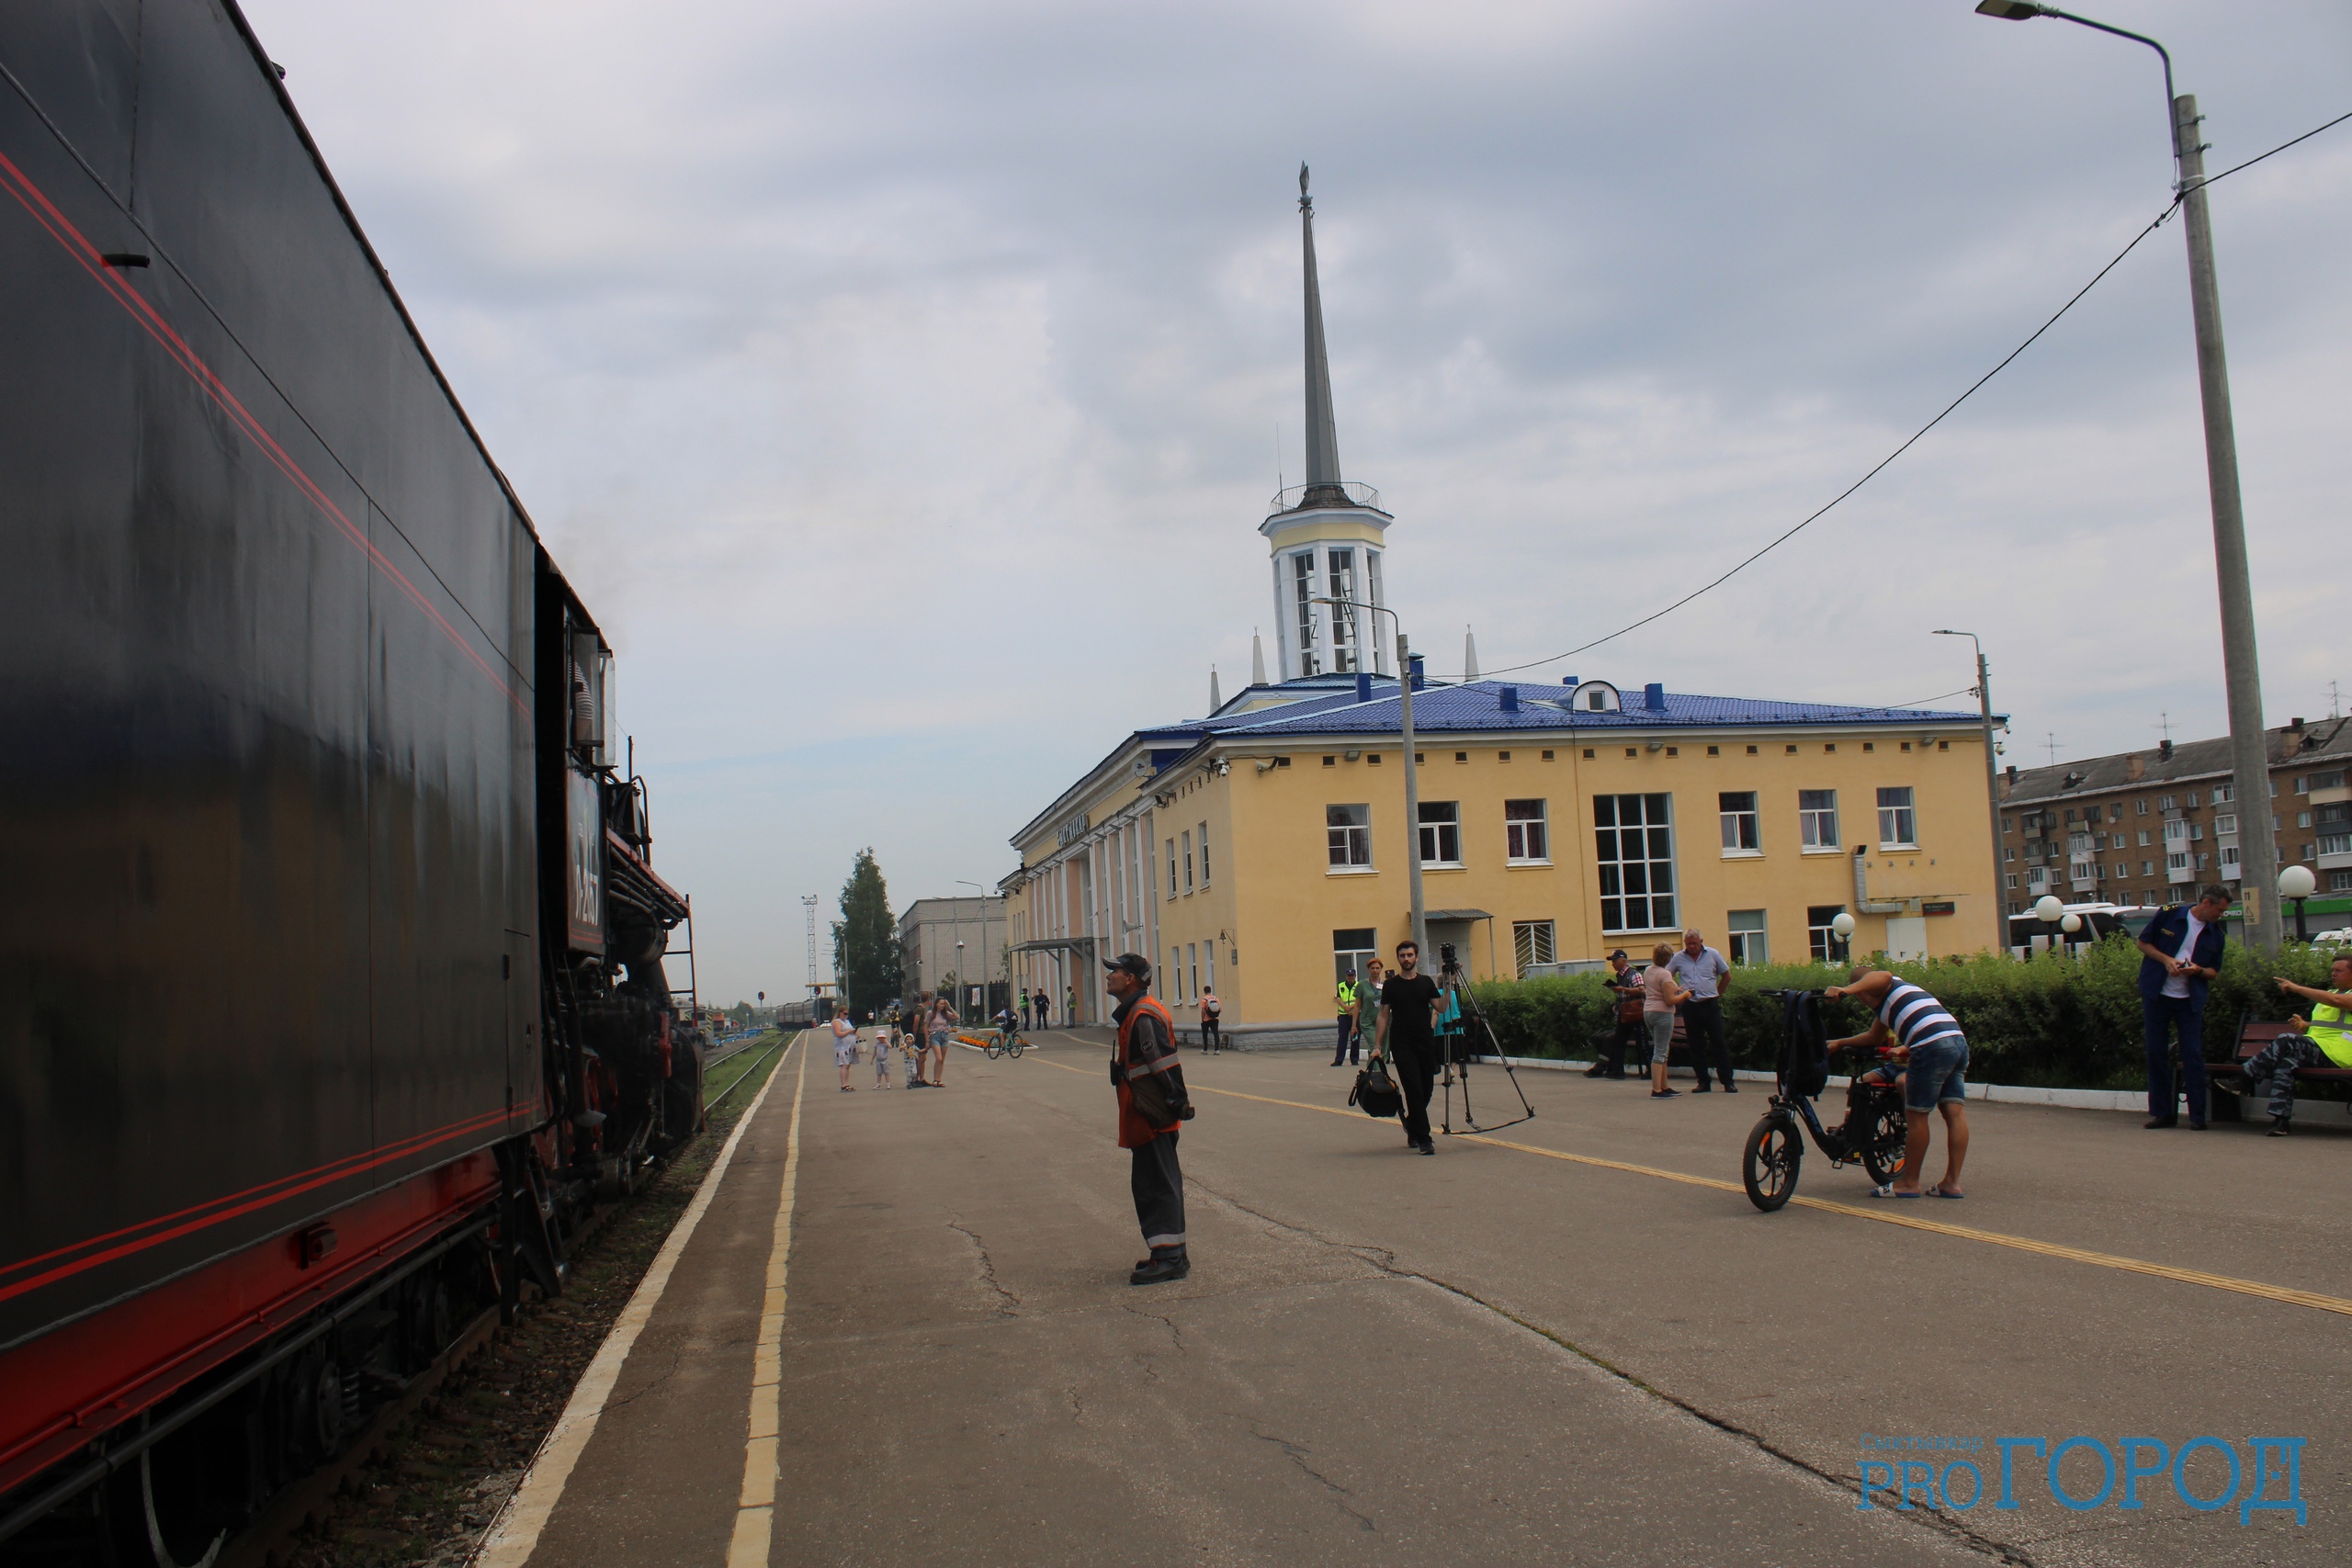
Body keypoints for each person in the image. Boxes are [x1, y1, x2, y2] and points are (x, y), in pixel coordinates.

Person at [1825, 969, 1970, 1199]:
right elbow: (1873, 1037)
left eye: (1859, 994)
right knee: (1954, 1113)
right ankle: (1951, 1183)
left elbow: (1882, 975)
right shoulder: (1888, 1006)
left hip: (1930, 1045)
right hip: (1956, 1041)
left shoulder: (1887, 985)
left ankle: (1909, 1183)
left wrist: (1846, 989)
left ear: (1863, 991)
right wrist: (1840, 1043)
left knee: (1917, 1116)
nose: (1860, 1000)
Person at [1102, 953, 1193, 1285]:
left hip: (1151, 1114)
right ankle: (1169, 1252)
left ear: (1132, 979)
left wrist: (1177, 1101)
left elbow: (1164, 1064)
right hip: (1146, 1114)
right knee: (1154, 1182)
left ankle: (1169, 1257)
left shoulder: (1142, 1015)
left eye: (1116, 971)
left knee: (1155, 1185)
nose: (1109, 976)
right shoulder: (1135, 1013)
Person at [2136, 885, 2233, 1129]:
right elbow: (2143, 944)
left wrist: (2197, 970)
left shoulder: (2216, 935)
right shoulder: (2170, 914)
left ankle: (2198, 1116)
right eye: (2219, 910)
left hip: (2189, 999)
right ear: (2207, 903)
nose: (2220, 916)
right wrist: (2168, 960)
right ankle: (2163, 1113)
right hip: (2157, 994)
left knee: (2193, 1055)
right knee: (2156, 1052)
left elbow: (2214, 972)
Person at [2247, 955, 2352, 1134]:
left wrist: (2297, 988)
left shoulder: (2335, 998)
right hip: (2321, 1050)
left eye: (2339, 971)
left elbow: (2336, 1003)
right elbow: (2327, 1027)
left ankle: (2245, 1077)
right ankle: (2281, 1122)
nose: (2333, 974)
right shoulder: (2331, 994)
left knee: (2287, 1039)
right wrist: (2305, 1026)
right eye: (2333, 970)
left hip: (2341, 1054)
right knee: (2286, 1063)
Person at [1373, 940, 1444, 1154]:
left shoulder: (1426, 983)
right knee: (1414, 1089)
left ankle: (1412, 1126)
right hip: (1402, 1044)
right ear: (1398, 958)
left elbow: (1440, 1007)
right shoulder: (1392, 985)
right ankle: (1424, 1139)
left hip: (1425, 1042)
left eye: (1410, 955)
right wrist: (1377, 1046)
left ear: (1416, 958)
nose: (1406, 959)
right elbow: (1383, 1014)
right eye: (1402, 956)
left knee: (1427, 1089)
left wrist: (1449, 983)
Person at [1667, 928, 1736, 1093]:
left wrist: (1718, 993)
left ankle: (1728, 1082)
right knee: (1696, 1045)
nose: (1692, 947)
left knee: (1719, 1043)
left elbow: (1726, 975)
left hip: (1710, 1005)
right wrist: (1677, 991)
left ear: (1701, 942)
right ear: (1685, 943)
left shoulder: (1713, 954)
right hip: (1691, 1005)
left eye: (1695, 943)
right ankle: (1703, 1082)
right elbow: (1667, 976)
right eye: (1689, 944)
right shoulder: (1678, 958)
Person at [1642, 944, 1690, 1099]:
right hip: (1663, 1013)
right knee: (1661, 1051)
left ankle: (1665, 1086)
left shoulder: (1648, 970)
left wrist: (1675, 990)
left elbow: (1657, 990)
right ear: (1669, 958)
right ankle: (1656, 1089)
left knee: (1662, 1049)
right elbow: (1670, 1000)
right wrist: (1685, 995)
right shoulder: (1665, 974)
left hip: (1648, 1011)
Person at [1588, 950, 1643, 1080]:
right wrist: (1617, 1004)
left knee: (1615, 1040)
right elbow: (1622, 995)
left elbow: (1641, 990)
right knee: (1603, 1038)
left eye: (1615, 960)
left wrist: (1623, 989)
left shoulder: (1634, 973)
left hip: (1633, 1017)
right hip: (1623, 1015)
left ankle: (1611, 1069)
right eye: (1612, 961)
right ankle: (1610, 1067)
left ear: (1624, 960)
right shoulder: (1620, 976)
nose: (1613, 964)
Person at [1331, 969, 1361, 1067]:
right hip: (1343, 1016)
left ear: (1355, 976)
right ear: (1346, 976)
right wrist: (1345, 1008)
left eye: (1352, 975)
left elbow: (1360, 1000)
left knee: (1355, 1038)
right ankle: (1339, 1060)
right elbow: (1338, 998)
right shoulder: (1341, 985)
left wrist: (1351, 1008)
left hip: (1355, 1016)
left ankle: (1355, 1059)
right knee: (1342, 1038)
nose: (1350, 977)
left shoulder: (1359, 986)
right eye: (1349, 975)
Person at [928, 995, 956, 1087]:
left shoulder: (946, 1013)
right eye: (941, 1004)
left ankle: (938, 1080)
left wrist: (949, 1007)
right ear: (936, 1004)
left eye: (944, 1004)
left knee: (942, 1060)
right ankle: (935, 1079)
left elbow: (956, 1017)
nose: (942, 1006)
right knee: (938, 1058)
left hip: (945, 1036)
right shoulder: (931, 1013)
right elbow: (925, 1025)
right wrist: (926, 1039)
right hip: (935, 1035)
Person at [830, 1007, 858, 1093]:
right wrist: (849, 1032)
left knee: (848, 1065)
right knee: (844, 1065)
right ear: (840, 1013)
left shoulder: (847, 1021)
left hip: (850, 1046)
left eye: (847, 1014)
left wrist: (856, 1034)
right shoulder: (836, 1022)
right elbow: (838, 1034)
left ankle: (846, 1084)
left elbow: (852, 1031)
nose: (846, 1016)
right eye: (844, 1014)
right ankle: (843, 1085)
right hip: (842, 1047)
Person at [1199, 987, 1222, 1053]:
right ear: (1210, 991)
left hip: (1206, 1020)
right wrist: (1215, 1014)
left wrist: (1202, 1019)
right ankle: (1217, 1050)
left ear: (1204, 991)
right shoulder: (1216, 999)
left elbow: (1203, 1011)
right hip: (1215, 1019)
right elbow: (1220, 1009)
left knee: (1205, 1035)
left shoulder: (1204, 1000)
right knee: (1216, 1034)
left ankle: (1205, 1049)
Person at [873, 1022, 894, 1089]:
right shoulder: (877, 1044)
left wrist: (886, 1041)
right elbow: (875, 1052)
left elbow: (890, 1047)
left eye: (882, 1038)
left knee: (886, 1072)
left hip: (885, 1060)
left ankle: (888, 1083)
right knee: (879, 1073)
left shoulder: (885, 1044)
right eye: (879, 1038)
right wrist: (872, 1059)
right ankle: (878, 1083)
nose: (881, 1039)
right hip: (878, 1060)